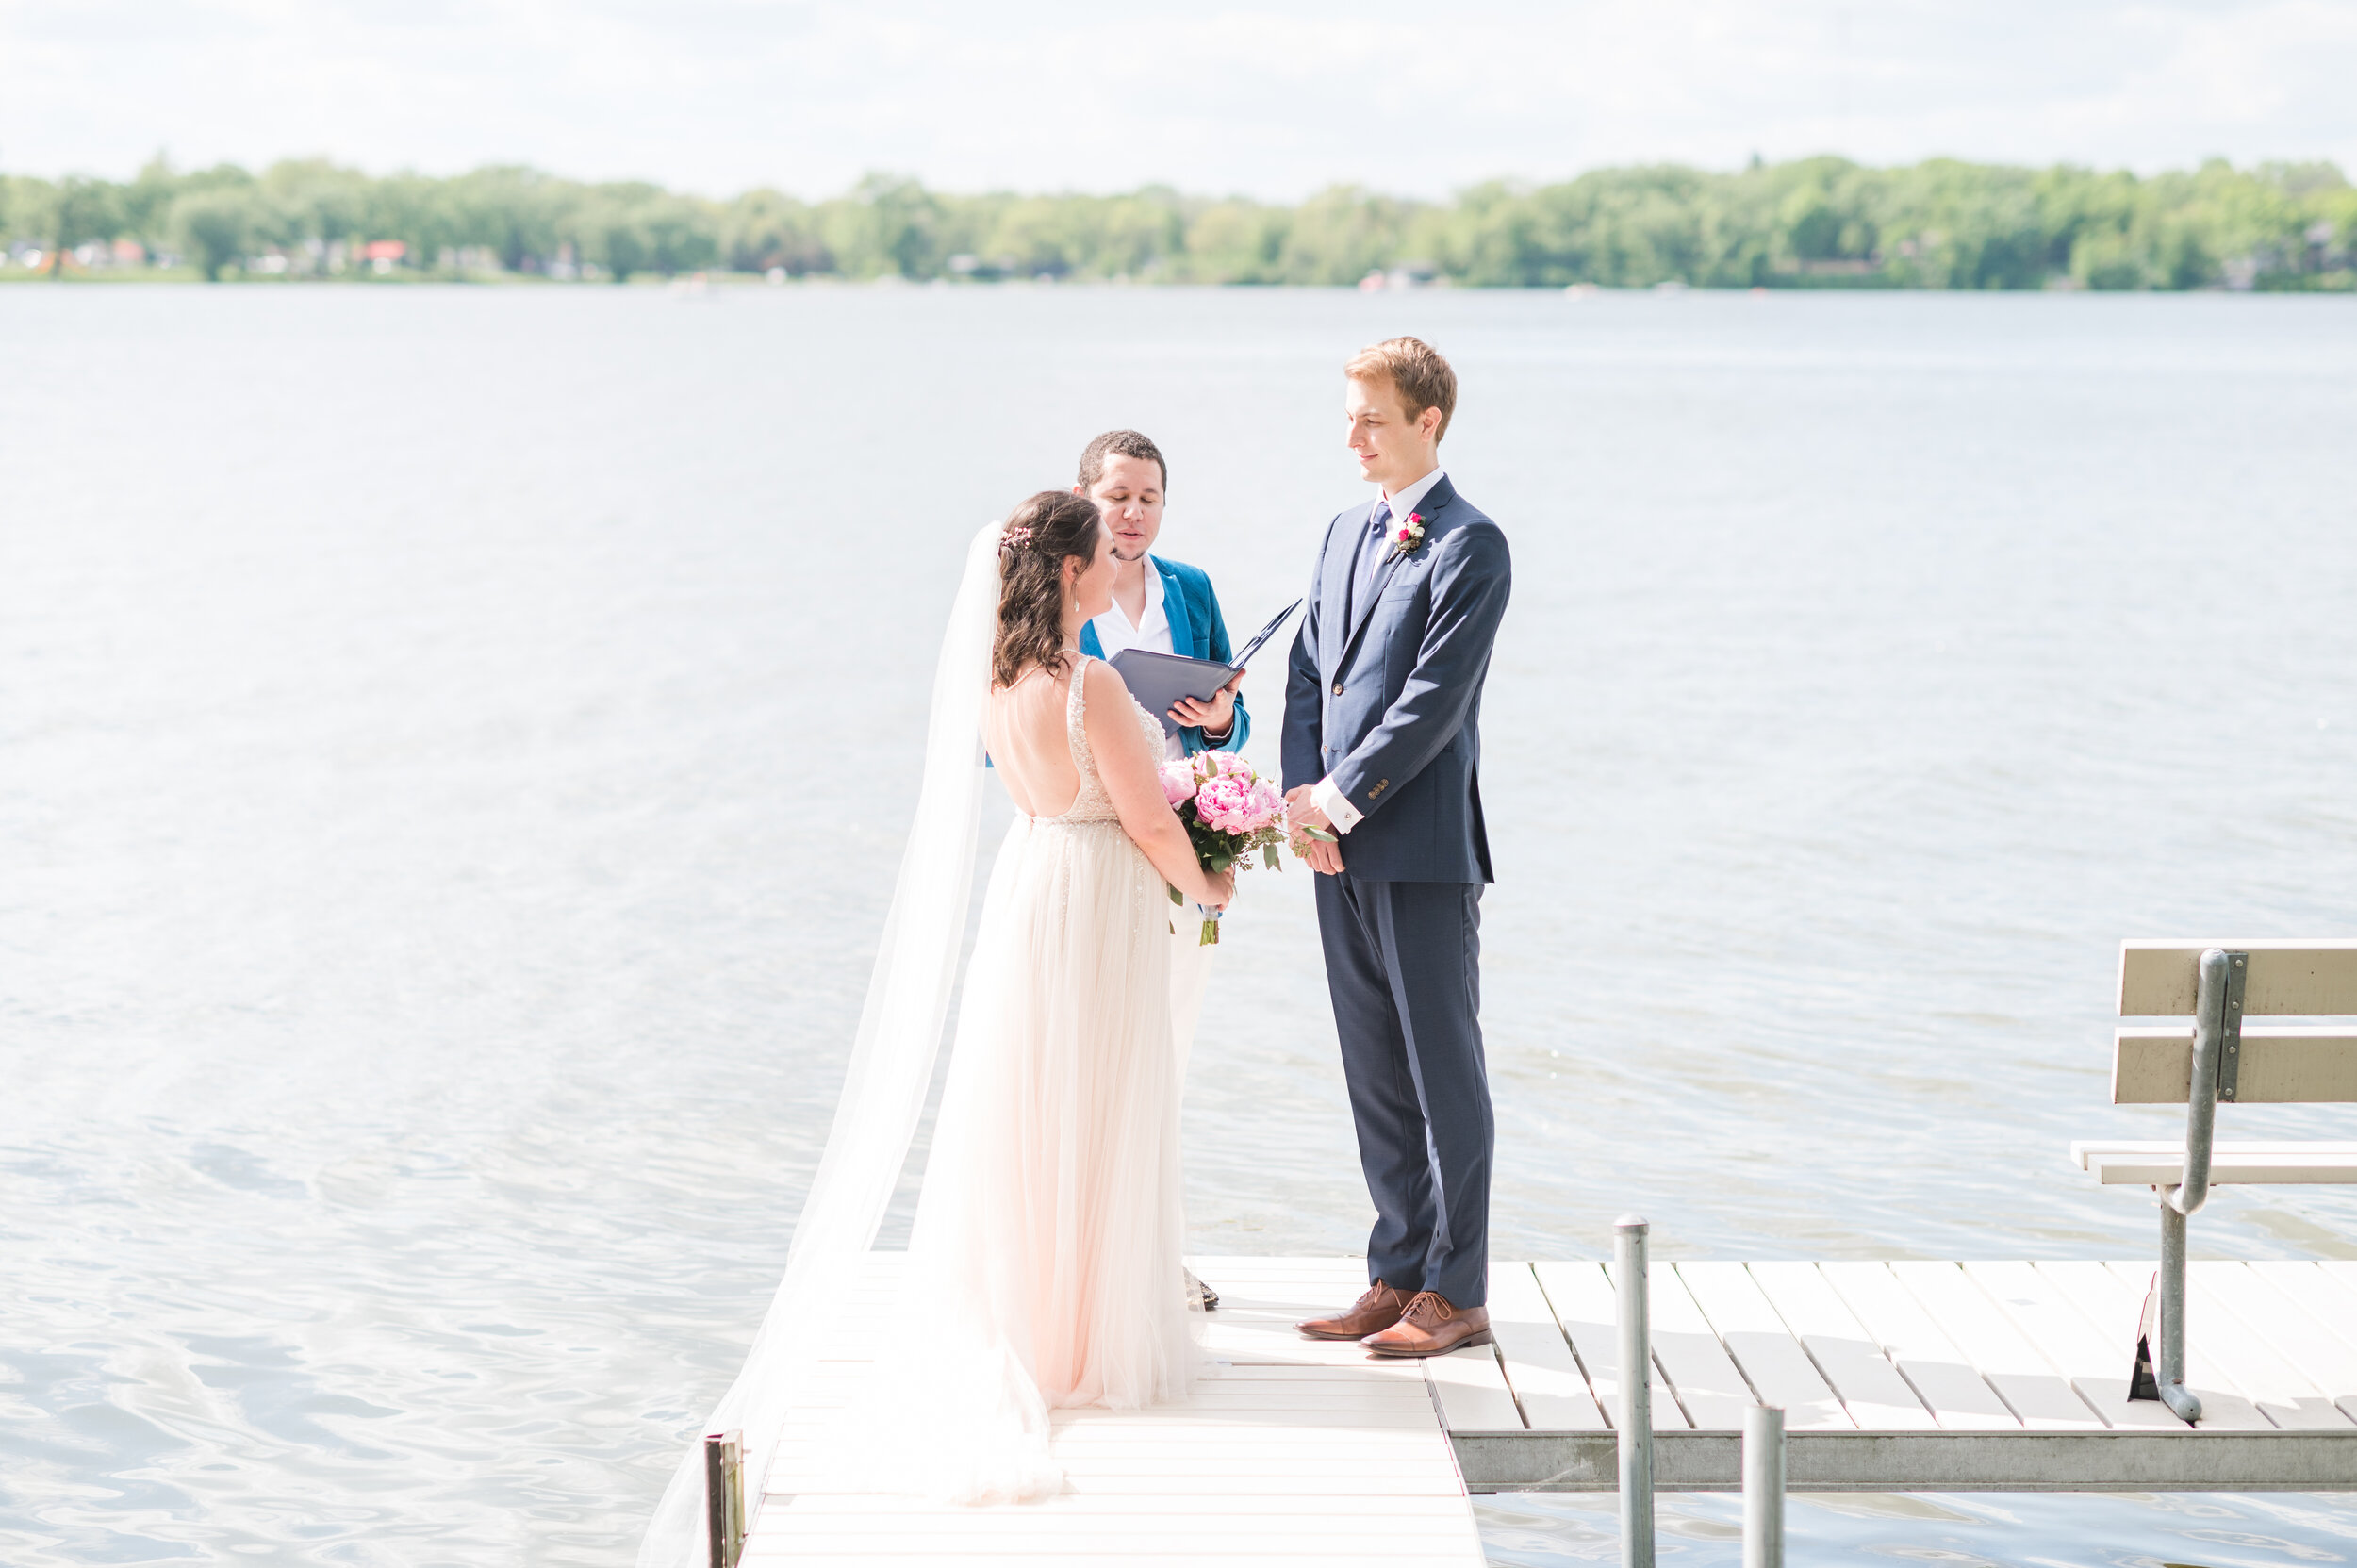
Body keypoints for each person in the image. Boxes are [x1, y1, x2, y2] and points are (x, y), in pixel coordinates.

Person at [636, 494, 1232, 1558]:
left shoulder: (998, 680)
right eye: (1101, 554)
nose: (1112, 567)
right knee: (1103, 1100)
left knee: (1032, 1104)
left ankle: (1044, 1317)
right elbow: (1144, 815)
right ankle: (1091, 1333)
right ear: (1070, 572)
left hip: (1032, 883)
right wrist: (1208, 883)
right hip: (1096, 892)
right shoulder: (1089, 680)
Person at [1282, 337, 1512, 1358]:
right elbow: (1305, 671)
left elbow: (1430, 704)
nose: (1353, 435)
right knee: (1372, 1067)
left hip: (1418, 846)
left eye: (1373, 417)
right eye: (1348, 415)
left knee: (1440, 1070)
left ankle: (1456, 1291)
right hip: (1335, 844)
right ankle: (1397, 1267)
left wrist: (1341, 799)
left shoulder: (1471, 544)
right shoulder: (1339, 531)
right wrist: (1299, 800)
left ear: (1428, 422)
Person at [1070, 428, 1246, 1312]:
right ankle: (1093, 1254)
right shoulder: (1057, 596)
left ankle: (1155, 1251)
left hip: (1187, 841)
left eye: (1149, 498)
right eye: (1118, 496)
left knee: (1168, 1054)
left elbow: (1230, 720)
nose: (1133, 513)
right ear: (1085, 498)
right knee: (1099, 1057)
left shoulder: (1192, 589)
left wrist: (1216, 723)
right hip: (1104, 841)